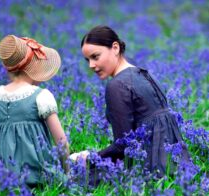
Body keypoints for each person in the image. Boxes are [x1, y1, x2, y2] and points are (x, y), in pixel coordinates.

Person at [80, 25, 190, 177]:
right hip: (179, 163)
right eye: (87, 60)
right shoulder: (146, 74)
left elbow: (123, 146)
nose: (91, 65)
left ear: (115, 48)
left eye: (95, 56)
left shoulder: (116, 86)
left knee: (78, 178)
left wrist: (89, 159)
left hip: (148, 168)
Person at [0, 35, 70, 186]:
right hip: (38, 175)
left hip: (2, 179)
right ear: (33, 66)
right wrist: (66, 173)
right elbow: (61, 142)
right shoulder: (41, 96)